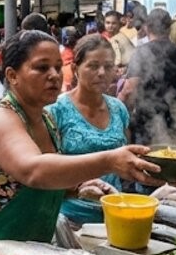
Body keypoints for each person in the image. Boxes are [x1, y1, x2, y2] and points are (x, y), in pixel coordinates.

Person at [0, 31, 161, 252]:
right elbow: (33, 171)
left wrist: (77, 187)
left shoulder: (46, 119)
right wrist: (109, 161)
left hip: (21, 248)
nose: (54, 74)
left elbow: (36, 182)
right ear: (13, 76)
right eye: (42, 68)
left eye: (57, 66)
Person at [48, 35, 129, 225]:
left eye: (108, 67)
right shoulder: (55, 111)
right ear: (75, 69)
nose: (101, 73)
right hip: (67, 217)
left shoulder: (118, 109)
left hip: (112, 214)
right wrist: (79, 186)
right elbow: (44, 173)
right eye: (93, 66)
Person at [119, 9, 176, 151]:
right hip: (174, 118)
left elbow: (130, 88)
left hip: (145, 119)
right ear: (170, 28)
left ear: (146, 27)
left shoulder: (141, 52)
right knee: (171, 156)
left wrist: (116, 107)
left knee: (145, 158)